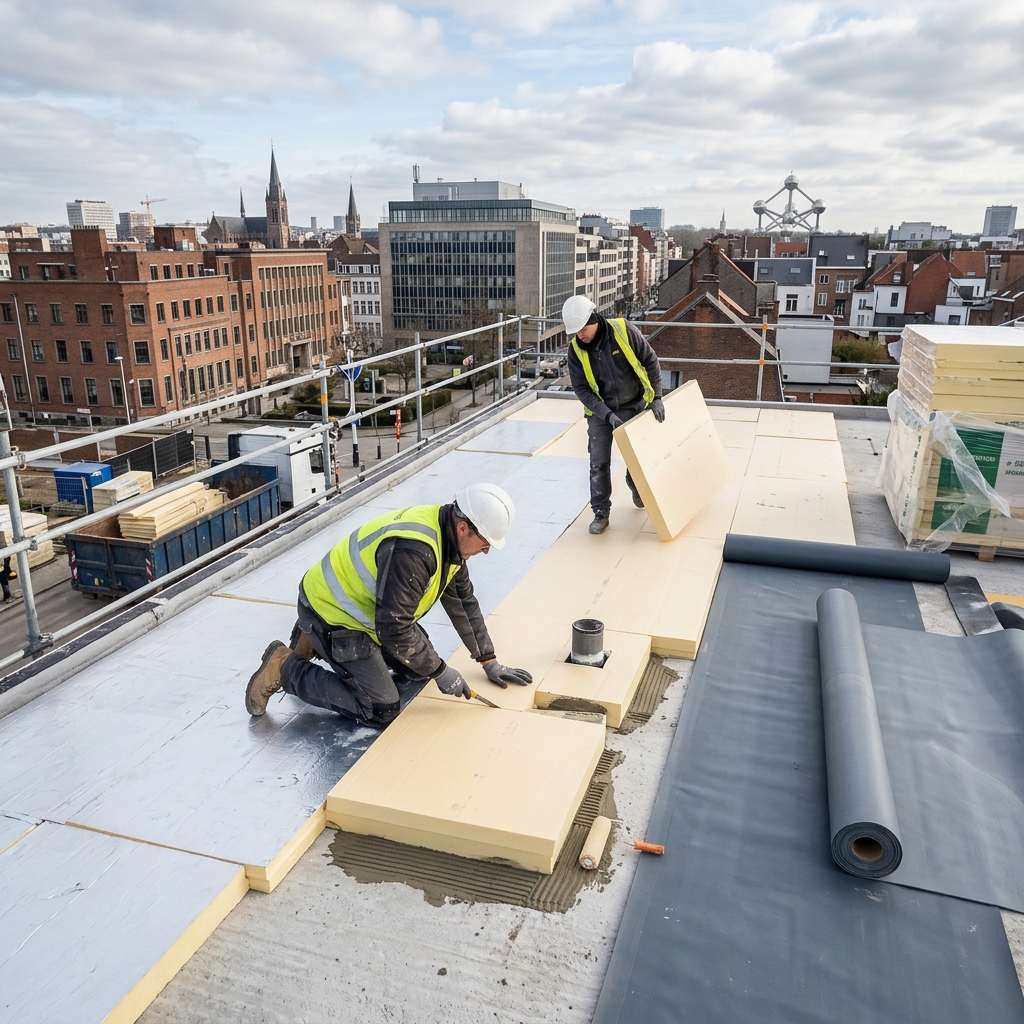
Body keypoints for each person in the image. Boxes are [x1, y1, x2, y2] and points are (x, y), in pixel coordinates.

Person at [245, 483, 533, 725]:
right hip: (333, 612)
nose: (485, 552)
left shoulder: (448, 542)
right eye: (485, 543)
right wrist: (441, 671)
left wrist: (488, 660)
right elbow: (394, 628)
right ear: (462, 528)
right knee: (380, 708)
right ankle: (284, 666)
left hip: (367, 611)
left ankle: (314, 639)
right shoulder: (415, 551)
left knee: (420, 665)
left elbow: (464, 603)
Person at [562, 295, 666, 534]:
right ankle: (601, 512)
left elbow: (650, 360)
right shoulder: (576, 351)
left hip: (632, 404)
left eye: (583, 329)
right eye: (575, 332)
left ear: (594, 319)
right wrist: (607, 415)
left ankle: (635, 484)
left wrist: (657, 397)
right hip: (600, 412)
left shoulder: (623, 330)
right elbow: (582, 389)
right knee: (598, 463)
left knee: (636, 456)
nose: (580, 335)